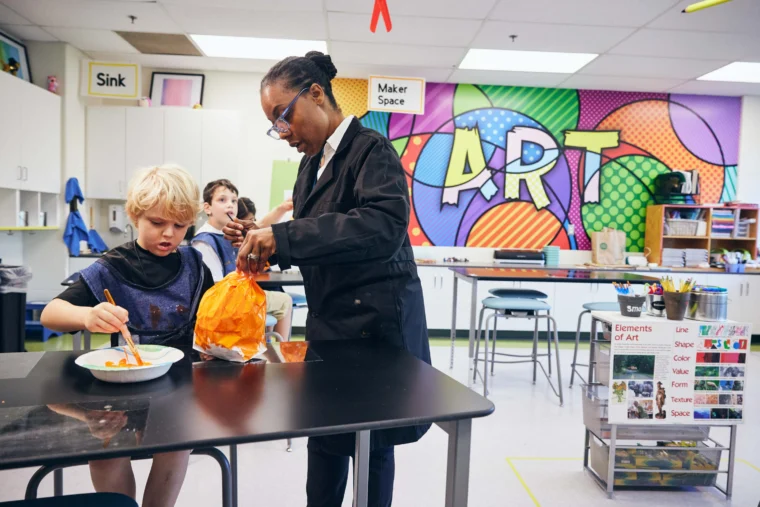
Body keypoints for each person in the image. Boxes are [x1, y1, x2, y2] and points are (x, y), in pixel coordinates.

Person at [223, 51, 430, 507]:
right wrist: (266, 246)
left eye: (284, 116)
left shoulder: (372, 150)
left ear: (316, 94)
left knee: (372, 451)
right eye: (275, 124)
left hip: (374, 330)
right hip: (329, 326)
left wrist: (285, 237)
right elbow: (323, 243)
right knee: (326, 443)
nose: (283, 133)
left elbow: (381, 227)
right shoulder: (309, 165)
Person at [40, 165, 213, 507]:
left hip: (179, 387)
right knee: (104, 449)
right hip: (121, 386)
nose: (169, 234)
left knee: (176, 448)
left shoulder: (194, 264)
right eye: (157, 223)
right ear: (135, 216)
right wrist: (88, 315)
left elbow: (212, 315)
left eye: (180, 226)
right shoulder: (112, 267)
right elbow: (50, 314)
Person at [192, 179, 294, 338]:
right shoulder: (205, 241)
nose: (230, 205)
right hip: (226, 303)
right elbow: (215, 288)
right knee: (285, 301)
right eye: (222, 200)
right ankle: (281, 350)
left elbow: (257, 228)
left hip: (234, 296)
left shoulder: (225, 233)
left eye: (234, 201)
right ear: (207, 208)